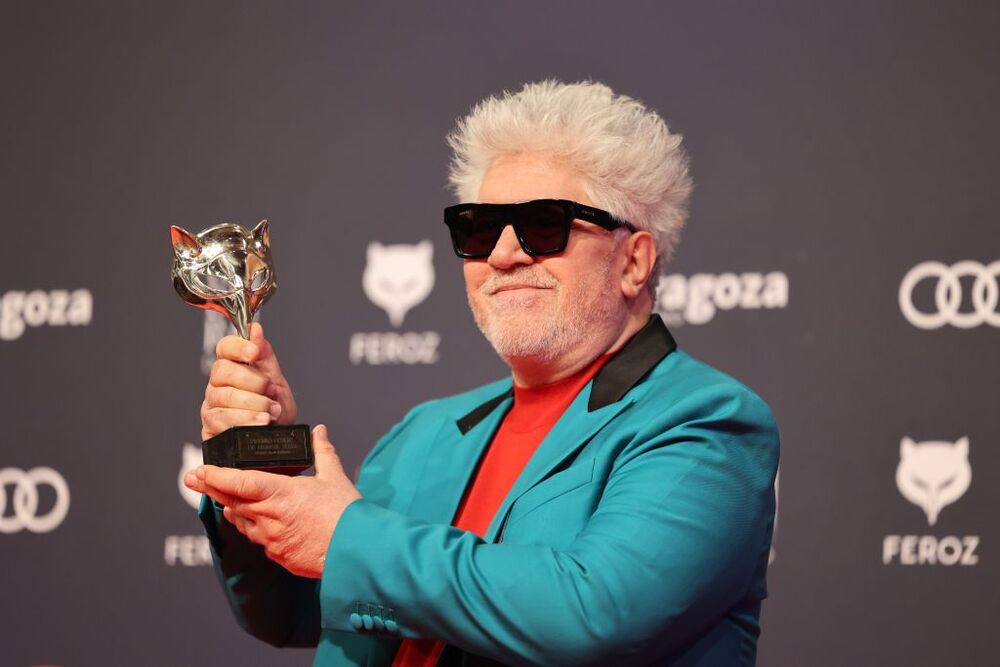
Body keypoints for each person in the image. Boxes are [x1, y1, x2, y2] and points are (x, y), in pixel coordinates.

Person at [184, 79, 779, 666]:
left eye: (545, 224)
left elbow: (591, 613)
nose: (502, 253)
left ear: (634, 261)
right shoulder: (425, 433)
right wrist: (261, 458)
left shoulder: (706, 423)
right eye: (479, 227)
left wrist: (346, 535)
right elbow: (292, 612)